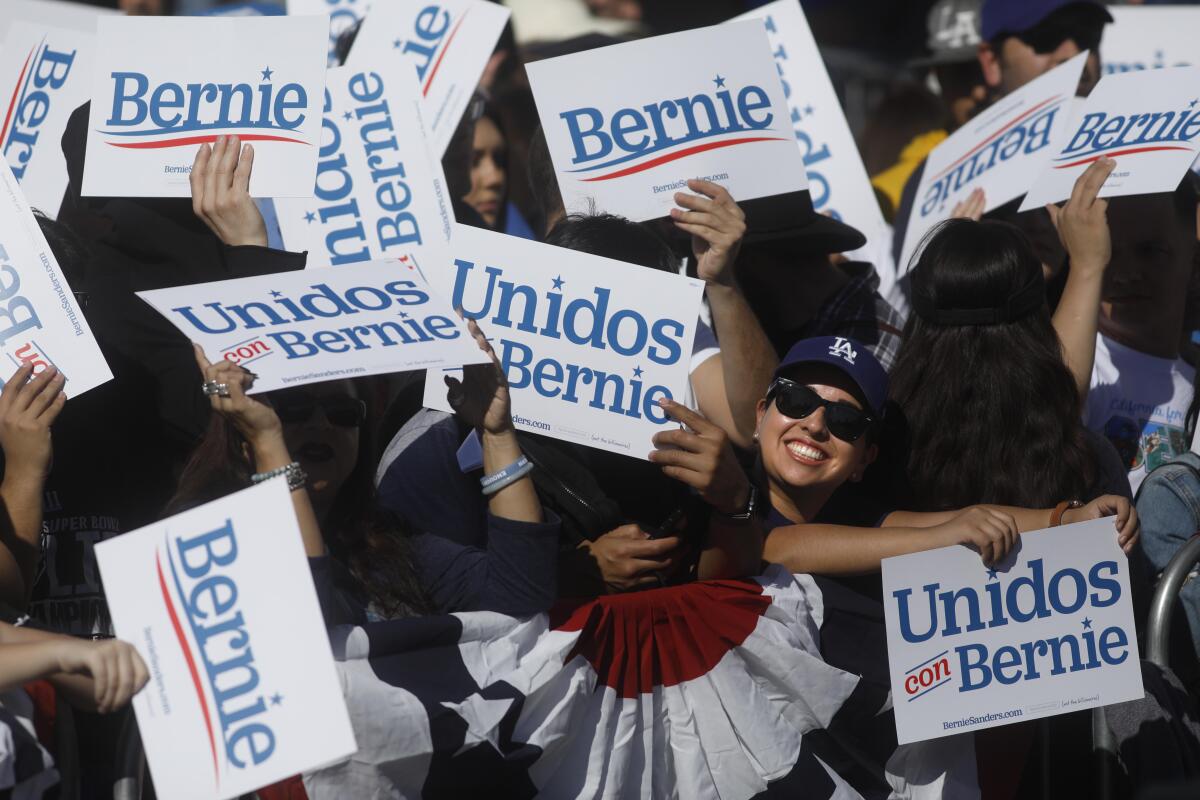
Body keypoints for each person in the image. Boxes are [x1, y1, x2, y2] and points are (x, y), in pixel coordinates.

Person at [173, 319, 561, 622]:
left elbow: (520, 594)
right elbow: (308, 613)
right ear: (243, 432)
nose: (321, 424)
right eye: (294, 409)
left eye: (343, 413)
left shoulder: (386, 544)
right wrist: (268, 442)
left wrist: (495, 432)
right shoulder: (199, 533)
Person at [1085, 177, 1200, 491]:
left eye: (1150, 251)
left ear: (1194, 260)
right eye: (1106, 250)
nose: (1125, 274)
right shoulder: (1078, 373)